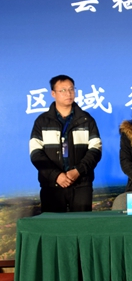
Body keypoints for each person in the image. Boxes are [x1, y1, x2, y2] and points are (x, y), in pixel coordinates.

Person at [29, 75, 102, 212]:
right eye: (63, 90)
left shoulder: (86, 120)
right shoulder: (42, 121)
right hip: (52, 185)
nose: (68, 93)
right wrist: (56, 175)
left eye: (71, 89)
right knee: (53, 224)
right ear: (53, 94)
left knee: (82, 223)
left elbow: (95, 149)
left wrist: (78, 171)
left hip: (81, 183)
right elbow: (36, 153)